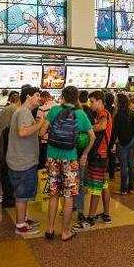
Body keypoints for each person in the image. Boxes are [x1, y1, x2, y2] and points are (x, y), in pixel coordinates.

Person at [40, 85, 94, 241]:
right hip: (70, 159)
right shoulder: (80, 114)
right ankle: (65, 232)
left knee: (53, 194)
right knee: (69, 196)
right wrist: (84, 154)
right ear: (76, 98)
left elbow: (41, 132)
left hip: (52, 157)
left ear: (62, 97)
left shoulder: (55, 110)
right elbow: (92, 137)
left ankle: (49, 230)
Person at [7, 85, 44, 236]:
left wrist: (35, 123)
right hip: (22, 161)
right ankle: (21, 225)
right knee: (22, 195)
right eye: (36, 95)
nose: (39, 98)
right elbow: (23, 132)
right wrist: (41, 123)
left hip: (22, 159)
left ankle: (24, 218)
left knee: (24, 193)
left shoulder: (24, 112)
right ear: (28, 96)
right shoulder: (23, 111)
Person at [75, 91, 113, 230]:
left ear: (99, 101)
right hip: (103, 155)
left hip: (98, 155)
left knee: (95, 188)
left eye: (92, 101)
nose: (90, 104)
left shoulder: (103, 113)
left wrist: (87, 128)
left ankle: (90, 219)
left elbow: (102, 126)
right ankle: (106, 214)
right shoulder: (103, 113)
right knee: (103, 185)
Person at [0, 91, 20, 207]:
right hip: (10, 144)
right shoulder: (17, 110)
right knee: (11, 173)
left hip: (1, 143)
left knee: (4, 172)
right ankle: (11, 199)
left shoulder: (3, 110)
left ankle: (6, 197)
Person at [113, 93, 134, 195]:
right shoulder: (130, 112)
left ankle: (123, 189)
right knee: (131, 165)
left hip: (122, 142)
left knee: (123, 166)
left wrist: (113, 143)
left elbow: (116, 131)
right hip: (131, 140)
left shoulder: (118, 114)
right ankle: (131, 187)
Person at [36, 91, 54, 170]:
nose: (39, 100)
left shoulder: (42, 108)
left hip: (44, 140)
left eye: (41, 98)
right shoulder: (58, 107)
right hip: (55, 140)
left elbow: (38, 124)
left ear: (45, 97)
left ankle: (41, 181)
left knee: (42, 164)